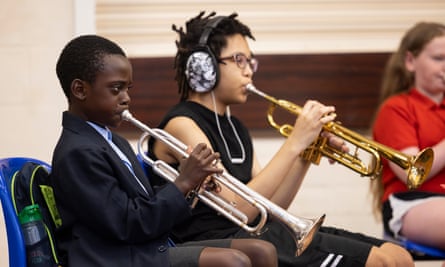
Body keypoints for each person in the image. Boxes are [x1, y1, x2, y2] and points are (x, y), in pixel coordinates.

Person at [148, 11, 414, 267]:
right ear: (203, 66)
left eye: (250, 61)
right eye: (239, 60)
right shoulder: (181, 124)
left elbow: (272, 209)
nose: (249, 71)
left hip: (256, 234)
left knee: (398, 256)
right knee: (382, 262)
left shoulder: (236, 128)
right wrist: (295, 141)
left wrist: (307, 152)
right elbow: (237, 208)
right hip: (219, 243)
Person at [50, 34, 278, 267]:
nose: (126, 98)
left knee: (262, 251)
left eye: (128, 89)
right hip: (113, 257)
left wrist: (192, 185)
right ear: (79, 90)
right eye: (116, 89)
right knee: (233, 262)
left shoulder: (114, 142)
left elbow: (146, 205)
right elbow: (128, 223)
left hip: (142, 246)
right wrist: (183, 182)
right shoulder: (77, 152)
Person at [370, 22, 445, 257]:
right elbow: (412, 172)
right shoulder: (396, 108)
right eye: (439, 58)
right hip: (412, 202)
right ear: (410, 62)